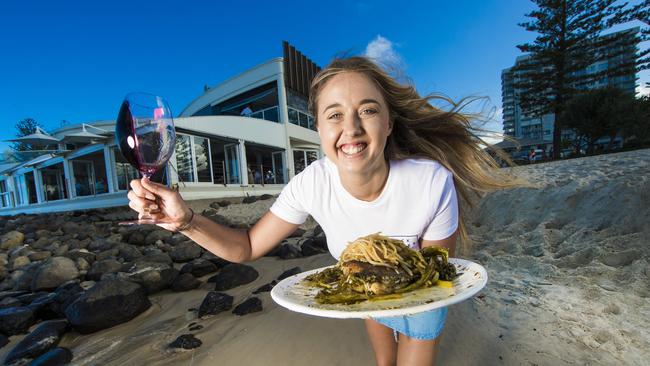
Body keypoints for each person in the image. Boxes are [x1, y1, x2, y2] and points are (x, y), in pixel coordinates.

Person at [128, 56, 515, 365]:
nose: (351, 128)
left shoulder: (431, 183)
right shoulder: (311, 184)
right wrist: (186, 221)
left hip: (422, 294)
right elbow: (245, 247)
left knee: (417, 335)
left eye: (367, 110)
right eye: (334, 115)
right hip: (365, 291)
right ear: (318, 128)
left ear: (389, 122)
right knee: (380, 338)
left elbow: (430, 279)